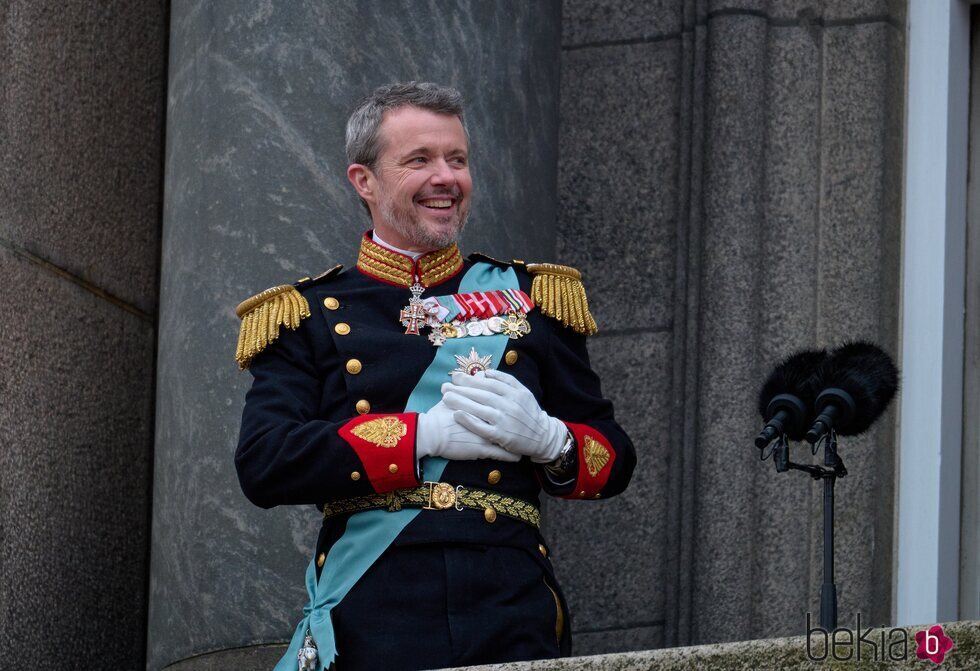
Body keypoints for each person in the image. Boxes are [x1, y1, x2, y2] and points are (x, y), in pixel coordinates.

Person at [234, 82, 635, 671]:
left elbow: (614, 460)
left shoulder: (534, 297)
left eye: (458, 160)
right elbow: (264, 462)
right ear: (363, 180)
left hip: (511, 604)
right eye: (419, 160)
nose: (446, 177)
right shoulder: (307, 314)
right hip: (375, 608)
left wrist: (552, 441)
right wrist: (420, 436)